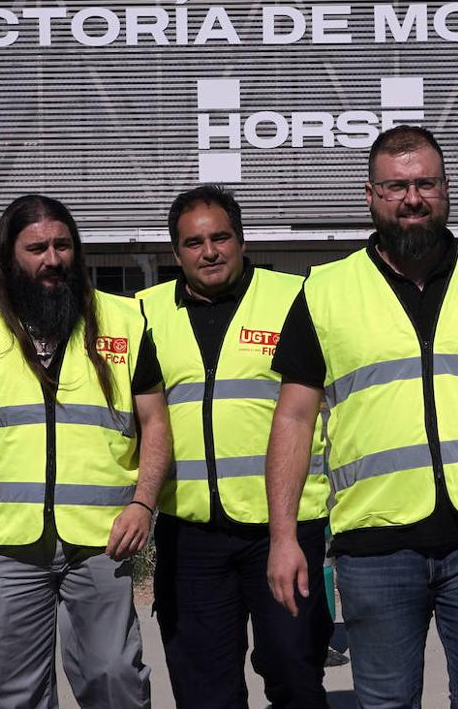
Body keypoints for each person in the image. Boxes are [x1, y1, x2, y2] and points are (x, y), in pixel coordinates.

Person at [266, 125, 458, 708]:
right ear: (370, 195)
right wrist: (284, 536)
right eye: (395, 186)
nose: (412, 198)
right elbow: (293, 419)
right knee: (386, 704)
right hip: (375, 543)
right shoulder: (326, 290)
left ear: (446, 187)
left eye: (425, 184)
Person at [0, 194, 170, 709]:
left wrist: (142, 503)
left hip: (101, 538)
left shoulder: (123, 320)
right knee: (17, 692)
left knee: (113, 676)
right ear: (8, 256)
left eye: (63, 245)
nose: (53, 259)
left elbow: (155, 422)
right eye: (37, 247)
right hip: (6, 544)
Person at [137, 186, 332, 709]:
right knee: (204, 691)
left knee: (295, 671)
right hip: (191, 536)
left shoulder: (294, 298)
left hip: (284, 528)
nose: (210, 251)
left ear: (242, 240)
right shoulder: (143, 314)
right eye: (194, 242)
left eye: (221, 237)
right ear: (175, 254)